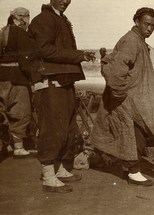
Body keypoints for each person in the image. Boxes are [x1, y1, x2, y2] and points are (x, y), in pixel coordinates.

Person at [90, 7, 154, 187]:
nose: (150, 28)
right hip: (125, 98)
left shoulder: (137, 40)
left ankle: (127, 166)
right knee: (129, 134)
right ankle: (133, 171)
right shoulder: (132, 41)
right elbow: (117, 70)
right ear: (136, 21)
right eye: (146, 24)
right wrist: (121, 93)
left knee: (136, 133)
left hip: (131, 96)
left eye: (153, 25)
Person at [28, 0, 95, 193]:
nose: (65, 0)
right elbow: (44, 49)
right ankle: (48, 176)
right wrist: (77, 55)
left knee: (67, 127)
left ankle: (59, 170)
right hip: (49, 83)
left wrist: (78, 55)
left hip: (61, 81)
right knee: (53, 128)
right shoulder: (44, 19)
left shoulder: (58, 18)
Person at [0, 7, 34, 158]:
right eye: (24, 16)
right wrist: (33, 78)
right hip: (17, 78)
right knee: (21, 111)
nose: (26, 19)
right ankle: (18, 147)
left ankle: (4, 144)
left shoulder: (2, 32)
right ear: (17, 18)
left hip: (1, 78)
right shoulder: (20, 33)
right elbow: (26, 60)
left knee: (2, 111)